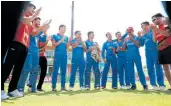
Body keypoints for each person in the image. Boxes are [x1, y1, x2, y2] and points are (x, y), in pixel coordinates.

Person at [1, 3, 41, 100]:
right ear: (26, 7)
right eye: (32, 8)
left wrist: (43, 27)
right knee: (7, 67)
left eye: (35, 10)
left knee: (18, 69)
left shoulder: (30, 20)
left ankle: (12, 89)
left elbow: (34, 32)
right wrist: (35, 16)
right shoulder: (20, 14)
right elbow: (24, 21)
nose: (34, 10)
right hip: (16, 43)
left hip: (25, 46)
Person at [17, 17, 51, 94]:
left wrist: (45, 30)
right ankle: (20, 88)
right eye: (37, 21)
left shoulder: (39, 30)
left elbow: (43, 40)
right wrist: (43, 27)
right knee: (26, 69)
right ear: (33, 21)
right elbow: (35, 33)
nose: (39, 23)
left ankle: (33, 88)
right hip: (29, 49)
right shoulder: (30, 27)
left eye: (40, 22)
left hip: (36, 51)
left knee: (35, 70)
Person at [139, 21, 165, 90]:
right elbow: (141, 44)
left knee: (158, 67)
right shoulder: (144, 34)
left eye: (143, 25)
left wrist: (151, 31)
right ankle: (153, 85)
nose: (142, 27)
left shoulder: (152, 30)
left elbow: (154, 40)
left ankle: (161, 85)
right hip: (147, 53)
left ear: (147, 25)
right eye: (141, 26)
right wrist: (140, 36)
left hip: (155, 51)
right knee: (150, 68)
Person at [151, 13, 171, 90]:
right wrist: (153, 30)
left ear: (160, 18)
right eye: (152, 20)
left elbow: (166, 34)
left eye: (154, 19)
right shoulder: (157, 28)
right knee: (165, 68)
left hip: (169, 46)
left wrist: (156, 29)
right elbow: (154, 40)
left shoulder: (166, 25)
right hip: (161, 48)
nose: (153, 21)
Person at [51, 25, 71, 92]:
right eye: (63, 28)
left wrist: (69, 42)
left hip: (64, 56)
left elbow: (66, 47)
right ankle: (53, 87)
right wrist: (61, 40)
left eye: (65, 28)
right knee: (55, 72)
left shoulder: (66, 37)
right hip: (57, 55)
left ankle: (63, 87)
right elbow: (54, 45)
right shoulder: (55, 36)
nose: (64, 29)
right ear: (59, 28)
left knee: (63, 72)